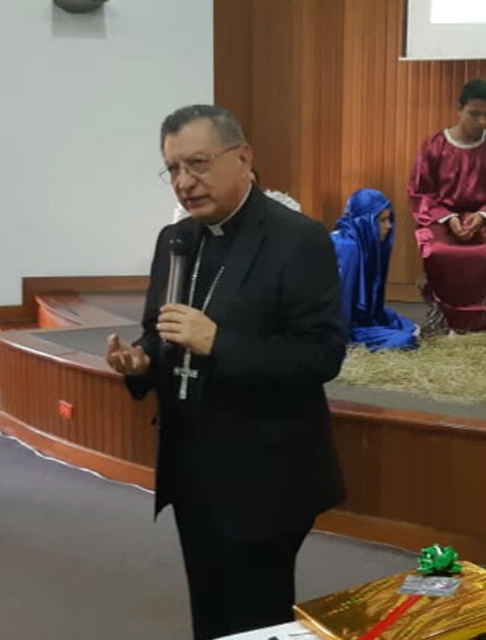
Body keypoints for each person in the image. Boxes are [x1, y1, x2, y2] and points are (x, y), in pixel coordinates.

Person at [109, 105, 347, 639]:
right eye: (171, 169)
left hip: (267, 474)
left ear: (243, 158)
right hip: (192, 467)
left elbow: (321, 355)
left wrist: (219, 341)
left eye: (197, 163)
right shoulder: (176, 241)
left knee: (255, 619)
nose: (184, 183)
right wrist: (142, 361)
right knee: (209, 612)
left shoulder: (297, 240)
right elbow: (161, 330)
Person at [407, 78, 486, 333]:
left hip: (484, 223)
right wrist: (447, 218)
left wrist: (483, 215)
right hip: (442, 221)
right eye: (474, 114)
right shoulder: (435, 146)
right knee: (437, 251)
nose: (482, 122)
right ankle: (444, 320)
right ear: (459, 109)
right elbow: (420, 192)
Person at [331, 188, 418, 351]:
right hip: (337, 325)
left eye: (389, 220)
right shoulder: (346, 248)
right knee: (405, 339)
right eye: (382, 221)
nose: (389, 226)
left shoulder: (361, 241)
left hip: (356, 316)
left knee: (404, 324)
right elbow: (339, 305)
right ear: (364, 220)